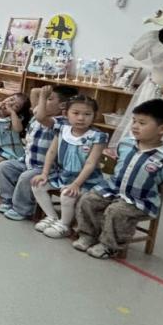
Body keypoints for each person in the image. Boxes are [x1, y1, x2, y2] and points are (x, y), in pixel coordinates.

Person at [75, 100, 163, 258]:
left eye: (142, 123)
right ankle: (88, 235)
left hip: (140, 200)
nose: (135, 126)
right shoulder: (125, 144)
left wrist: (151, 191)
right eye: (134, 121)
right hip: (113, 189)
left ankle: (109, 245)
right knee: (88, 199)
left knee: (117, 211)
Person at [31, 95, 109, 238]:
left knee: (67, 194)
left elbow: (91, 163)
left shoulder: (98, 136)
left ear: (95, 116)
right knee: (37, 184)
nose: (81, 118)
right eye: (76, 113)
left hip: (86, 181)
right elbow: (52, 152)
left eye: (87, 114)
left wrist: (76, 184)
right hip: (63, 176)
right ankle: (52, 217)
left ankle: (65, 225)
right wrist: (44, 173)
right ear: (66, 114)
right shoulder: (62, 129)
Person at [0, 84, 78, 221]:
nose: (43, 101)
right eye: (45, 98)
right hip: (28, 162)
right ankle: (8, 200)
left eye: (49, 99)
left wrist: (43, 97)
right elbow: (34, 91)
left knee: (26, 177)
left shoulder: (62, 122)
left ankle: (22, 209)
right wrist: (46, 93)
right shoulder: (39, 114)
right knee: (5, 166)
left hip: (46, 169)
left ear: (63, 106)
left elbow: (41, 117)